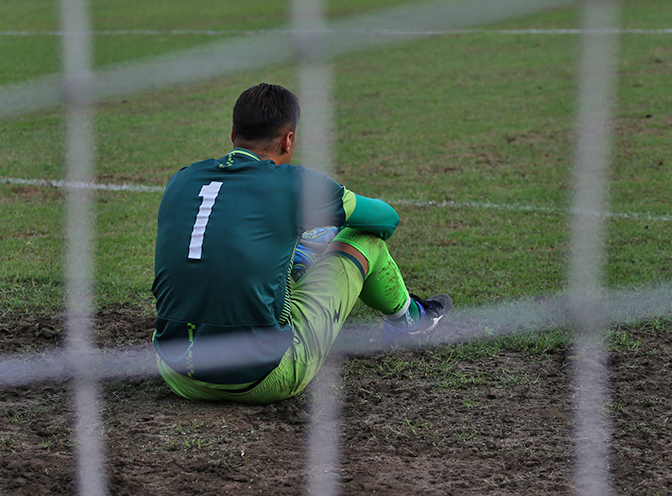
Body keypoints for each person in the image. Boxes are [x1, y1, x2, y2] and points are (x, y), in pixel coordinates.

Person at [152, 83, 452, 404]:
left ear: (233, 133)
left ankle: (301, 258)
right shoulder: (295, 183)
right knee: (362, 237)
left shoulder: (181, 178)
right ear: (288, 139)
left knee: (276, 247)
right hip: (261, 378)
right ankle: (409, 321)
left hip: (175, 371)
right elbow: (385, 219)